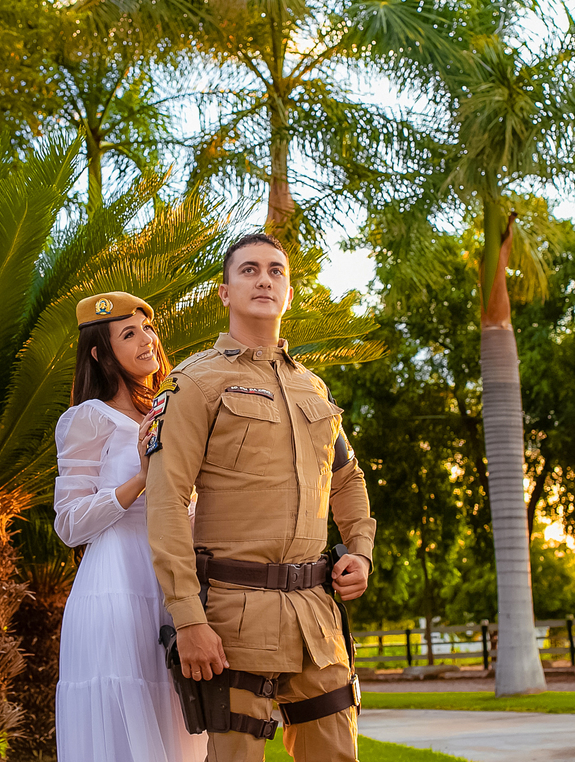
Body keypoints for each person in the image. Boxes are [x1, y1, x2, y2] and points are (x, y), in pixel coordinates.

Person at [144, 233, 377, 762]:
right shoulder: (193, 382)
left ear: (288, 293)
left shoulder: (313, 389)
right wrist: (189, 618)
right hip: (232, 618)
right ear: (225, 292)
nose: (264, 279)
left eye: (276, 271)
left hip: (316, 619)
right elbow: (166, 500)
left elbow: (348, 480)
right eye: (248, 270)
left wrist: (361, 551)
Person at [53, 291, 208, 762]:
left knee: (179, 723)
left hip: (172, 587)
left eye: (148, 329)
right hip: (115, 590)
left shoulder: (173, 414)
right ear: (100, 354)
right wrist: (141, 478)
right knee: (125, 726)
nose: (147, 340)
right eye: (128, 334)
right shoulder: (87, 418)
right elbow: (69, 523)